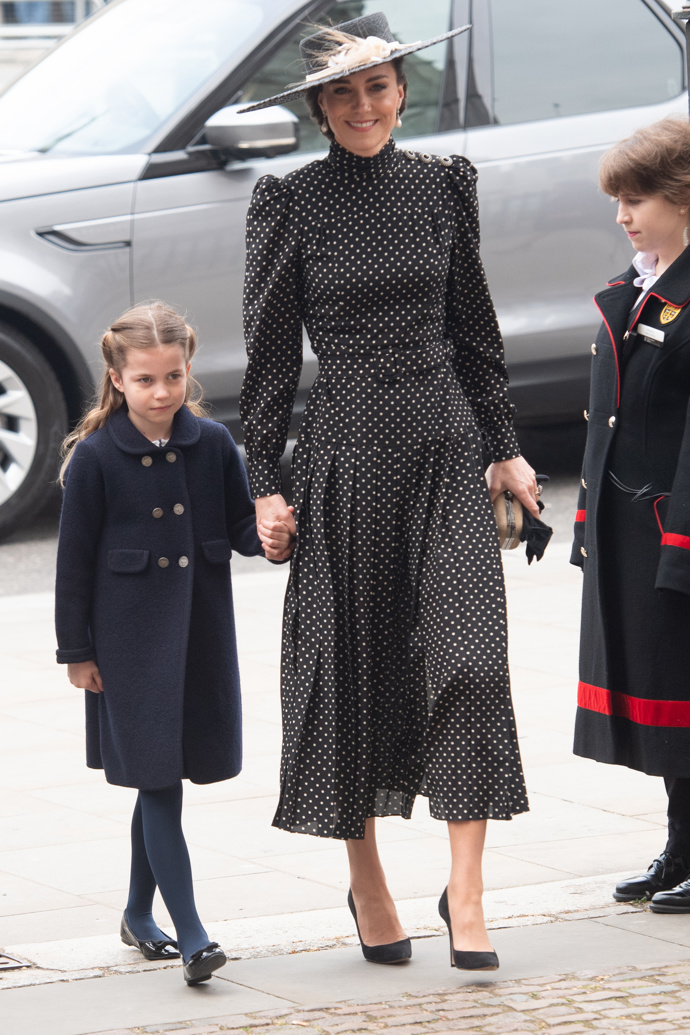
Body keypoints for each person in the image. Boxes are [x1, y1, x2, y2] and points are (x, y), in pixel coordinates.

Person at [239, 13, 538, 971]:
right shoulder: (290, 203)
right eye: (342, 92)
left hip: (446, 446)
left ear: (404, 93)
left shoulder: (446, 185)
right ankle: (368, 881)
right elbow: (271, 363)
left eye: (378, 87)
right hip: (346, 458)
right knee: (354, 665)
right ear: (320, 110)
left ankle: (470, 894)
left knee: (469, 659)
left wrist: (507, 448)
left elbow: (475, 329)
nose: (363, 106)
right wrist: (264, 484)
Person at [55, 301, 293, 986]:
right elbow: (72, 569)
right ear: (116, 378)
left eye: (174, 376)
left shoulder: (213, 444)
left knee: (158, 780)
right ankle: (192, 934)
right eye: (146, 380)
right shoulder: (96, 457)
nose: (162, 393)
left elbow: (243, 528)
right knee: (158, 785)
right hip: (127, 652)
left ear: (189, 370)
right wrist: (77, 652)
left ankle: (136, 909)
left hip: (198, 641)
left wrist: (274, 534)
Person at [572, 116, 690, 912]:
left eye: (637, 198)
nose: (623, 215)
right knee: (667, 694)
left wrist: (681, 540)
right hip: (630, 525)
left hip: (673, 527)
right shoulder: (640, 284)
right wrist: (587, 518)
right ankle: (681, 846)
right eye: (618, 199)